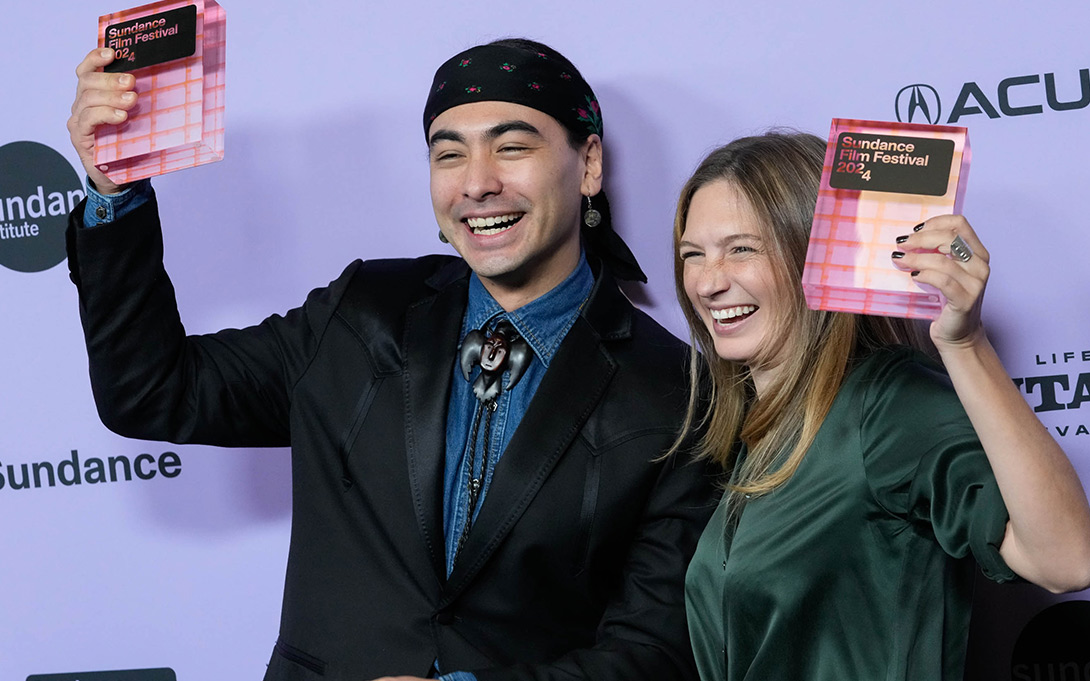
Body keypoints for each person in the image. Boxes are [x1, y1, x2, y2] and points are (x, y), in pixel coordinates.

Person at [65, 38, 718, 681]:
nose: (478, 183)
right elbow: (150, 390)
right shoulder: (363, 312)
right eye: (449, 154)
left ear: (590, 163)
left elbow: (653, 652)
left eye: (512, 146)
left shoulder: (676, 394)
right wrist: (112, 187)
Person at [669, 131, 1090, 680]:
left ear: (814, 253)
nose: (708, 282)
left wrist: (966, 343)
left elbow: (1065, 559)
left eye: (742, 248)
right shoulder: (760, 432)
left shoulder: (885, 403)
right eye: (692, 255)